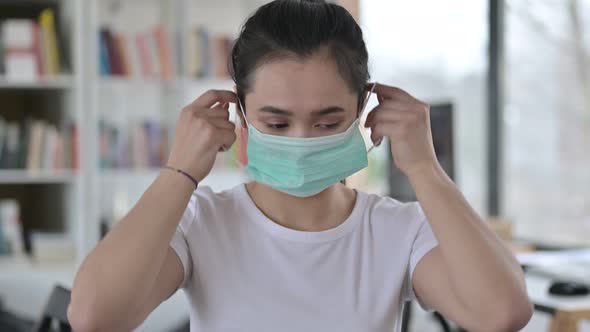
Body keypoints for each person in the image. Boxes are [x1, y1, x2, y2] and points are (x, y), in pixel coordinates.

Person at [68, 1, 532, 331]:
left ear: (362, 110)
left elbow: (502, 314)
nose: (302, 140)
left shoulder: (398, 230)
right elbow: (94, 317)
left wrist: (426, 169)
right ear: (241, 115)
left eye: (328, 121)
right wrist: (178, 174)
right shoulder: (200, 222)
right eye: (277, 121)